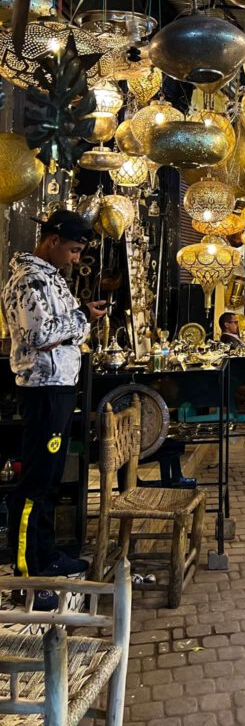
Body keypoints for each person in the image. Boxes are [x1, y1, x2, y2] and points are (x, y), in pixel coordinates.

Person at [3, 210, 107, 609]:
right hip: (43, 388)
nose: (76, 259)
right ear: (51, 241)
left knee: (49, 480)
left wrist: (80, 318)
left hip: (59, 387)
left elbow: (60, 329)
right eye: (74, 250)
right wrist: (81, 318)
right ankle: (28, 572)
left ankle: (44, 555)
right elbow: (40, 335)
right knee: (36, 483)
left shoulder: (50, 279)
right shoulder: (30, 280)